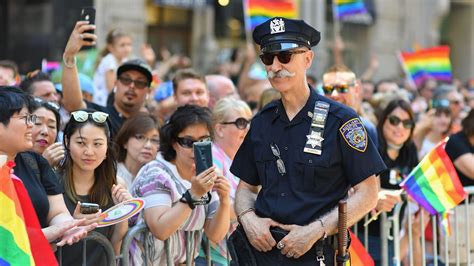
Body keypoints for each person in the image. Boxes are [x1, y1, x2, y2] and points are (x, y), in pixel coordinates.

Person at [229, 17, 386, 265]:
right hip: (260, 253)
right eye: (268, 58)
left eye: (286, 56)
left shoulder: (342, 120)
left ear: (308, 59)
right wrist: (249, 220)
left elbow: (368, 193)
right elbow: (246, 188)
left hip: (316, 252)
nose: (276, 66)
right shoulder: (262, 121)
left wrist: (317, 230)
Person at [129, 105, 231, 265]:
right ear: (173, 142)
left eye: (204, 141)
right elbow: (160, 229)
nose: (196, 148)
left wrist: (225, 201)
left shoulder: (208, 172)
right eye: (188, 142)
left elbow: (215, 235)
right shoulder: (156, 172)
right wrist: (193, 195)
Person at [0, 86, 93, 250]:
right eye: (25, 118)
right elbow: (6, 238)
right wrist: (51, 232)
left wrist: (69, 226)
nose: (31, 126)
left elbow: (57, 212)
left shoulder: (35, 162)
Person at [57, 108, 132, 265]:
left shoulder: (116, 184)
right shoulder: (52, 182)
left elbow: (115, 248)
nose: (89, 152)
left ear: (106, 148)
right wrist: (72, 224)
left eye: (97, 144)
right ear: (66, 142)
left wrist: (123, 212)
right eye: (80, 143)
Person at [61, 21, 153, 138]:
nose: (131, 86)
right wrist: (69, 55)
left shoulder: (152, 126)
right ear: (116, 83)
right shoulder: (101, 117)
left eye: (140, 82)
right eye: (126, 79)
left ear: (148, 91)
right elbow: (73, 105)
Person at [196, 97, 252, 265]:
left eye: (250, 122)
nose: (247, 129)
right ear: (219, 129)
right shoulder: (211, 159)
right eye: (241, 123)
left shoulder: (243, 159)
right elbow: (220, 209)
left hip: (233, 254)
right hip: (210, 257)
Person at [364, 99, 420, 265]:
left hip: (392, 231)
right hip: (365, 233)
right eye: (394, 121)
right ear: (383, 121)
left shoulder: (410, 150)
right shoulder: (373, 146)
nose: (400, 127)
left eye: (407, 123)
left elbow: (415, 186)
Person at [322, 64, 379, 147]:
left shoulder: (367, 128)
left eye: (342, 88)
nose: (334, 94)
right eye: (328, 89)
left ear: (356, 89)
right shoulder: (313, 126)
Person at [114, 113, 160, 189]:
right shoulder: (109, 172)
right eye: (140, 137)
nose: (148, 145)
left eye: (155, 140)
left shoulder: (159, 177)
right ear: (125, 141)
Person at [93, 28, 133, 106]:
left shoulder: (124, 61)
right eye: (122, 45)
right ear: (111, 47)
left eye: (129, 44)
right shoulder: (109, 61)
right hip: (103, 102)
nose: (127, 49)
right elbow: (111, 88)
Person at [30, 97, 65, 167]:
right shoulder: (9, 161)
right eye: (37, 123)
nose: (45, 132)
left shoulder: (63, 168)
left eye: (51, 126)